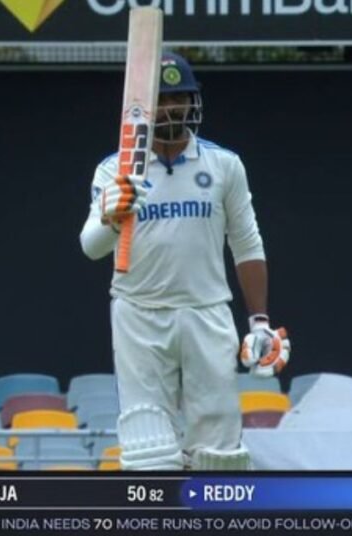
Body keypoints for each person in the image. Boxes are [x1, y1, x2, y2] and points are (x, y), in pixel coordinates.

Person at [79, 53, 291, 470]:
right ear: (144, 109)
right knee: (149, 453)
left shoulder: (224, 165)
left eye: (181, 98)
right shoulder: (114, 171)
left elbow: (247, 244)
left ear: (194, 103)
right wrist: (109, 215)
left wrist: (260, 322)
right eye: (163, 99)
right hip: (139, 315)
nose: (173, 108)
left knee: (220, 456)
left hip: (207, 312)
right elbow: (91, 247)